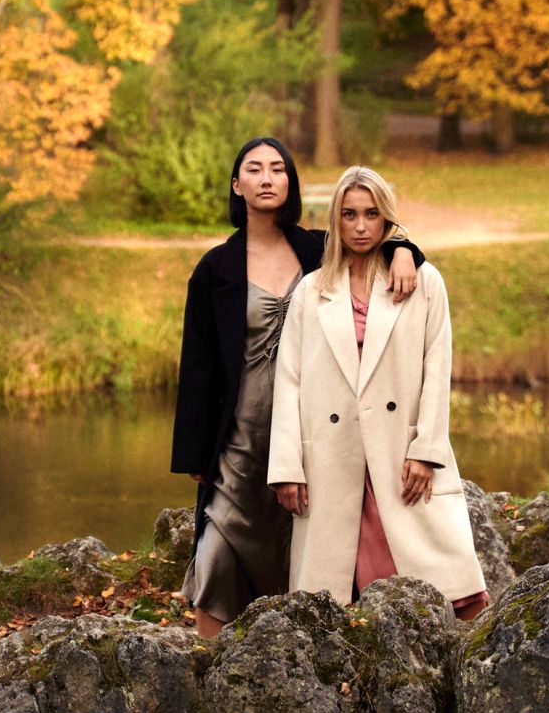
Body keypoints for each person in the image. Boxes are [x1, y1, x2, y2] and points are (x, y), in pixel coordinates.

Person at [171, 138, 425, 637]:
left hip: (314, 430)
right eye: (254, 169)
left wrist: (404, 251)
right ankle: (209, 664)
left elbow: (369, 237)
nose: (267, 178)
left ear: (290, 182)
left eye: (277, 169)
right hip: (239, 437)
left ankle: (294, 656)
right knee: (218, 549)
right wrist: (195, 453)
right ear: (237, 185)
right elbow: (198, 366)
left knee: (303, 547)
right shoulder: (215, 269)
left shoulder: (316, 250)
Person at [268, 165, 487, 618]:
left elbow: (437, 369)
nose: (361, 226)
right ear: (336, 220)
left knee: (434, 592)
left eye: (371, 214)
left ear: (387, 217)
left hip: (399, 452)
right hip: (332, 455)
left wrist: (426, 450)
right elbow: (288, 380)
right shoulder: (311, 291)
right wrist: (287, 465)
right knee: (334, 604)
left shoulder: (423, 281)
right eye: (349, 215)